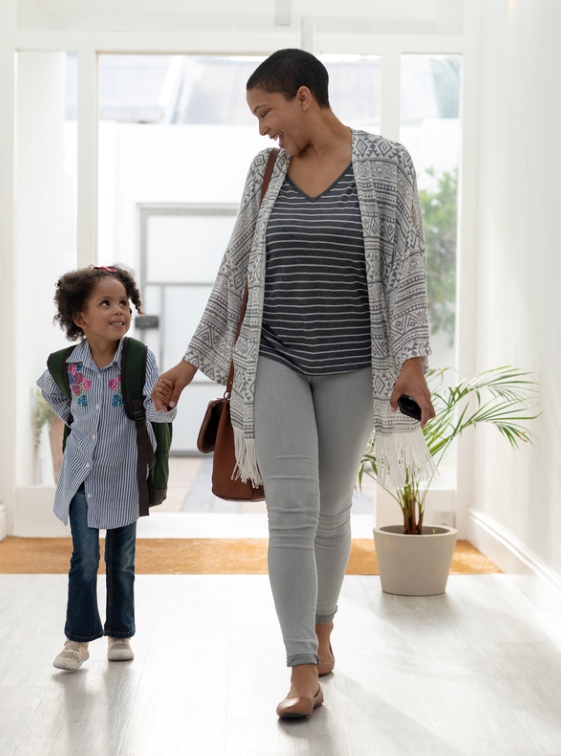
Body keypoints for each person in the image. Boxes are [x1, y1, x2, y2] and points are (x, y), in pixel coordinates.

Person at [152, 49, 436, 718]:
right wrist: (188, 364)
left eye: (266, 112)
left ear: (304, 97)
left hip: (353, 366)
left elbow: (406, 268)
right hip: (273, 361)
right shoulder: (265, 173)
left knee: (333, 510)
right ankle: (300, 668)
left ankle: (324, 628)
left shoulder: (387, 164)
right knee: (292, 510)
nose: (262, 129)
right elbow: (233, 276)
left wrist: (413, 362)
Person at [38, 265, 176, 670]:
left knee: (122, 559)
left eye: (124, 303)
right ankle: (77, 640)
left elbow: (155, 411)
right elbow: (59, 402)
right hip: (81, 476)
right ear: (80, 319)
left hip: (123, 477)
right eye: (106, 303)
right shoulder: (66, 365)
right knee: (83, 558)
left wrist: (166, 405)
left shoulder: (139, 358)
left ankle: (120, 632)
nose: (120, 311)